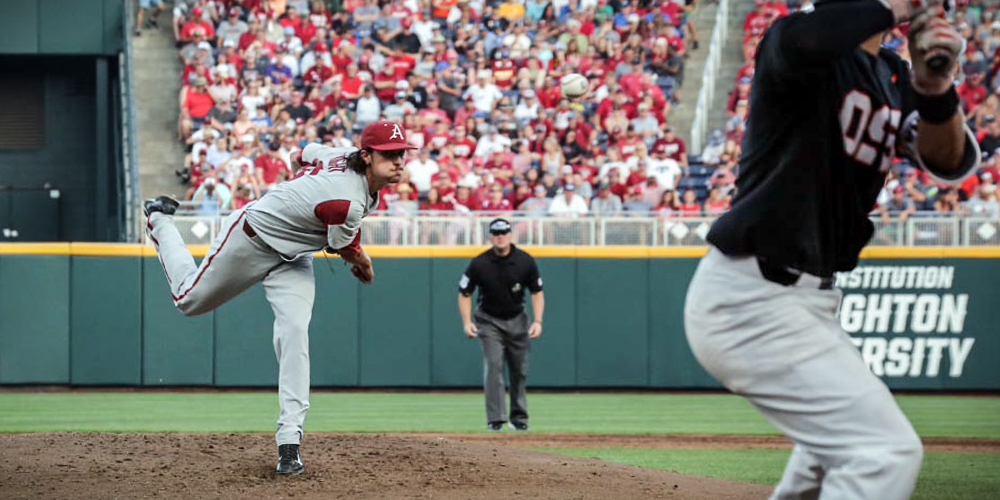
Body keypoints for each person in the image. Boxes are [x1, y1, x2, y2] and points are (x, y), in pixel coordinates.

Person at [684, 3, 978, 500]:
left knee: (819, 465)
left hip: (809, 302)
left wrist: (934, 91)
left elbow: (953, 162)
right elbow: (808, 42)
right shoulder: (797, 42)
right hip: (751, 295)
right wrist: (901, 7)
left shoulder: (890, 73)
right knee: (883, 451)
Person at [143, 121, 416, 475]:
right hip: (250, 240)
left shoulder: (338, 159)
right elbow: (343, 247)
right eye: (389, 154)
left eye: (402, 154)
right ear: (366, 156)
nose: (398, 161)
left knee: (294, 333)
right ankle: (160, 220)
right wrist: (362, 260)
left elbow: (298, 154)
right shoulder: (345, 200)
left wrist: (301, 194)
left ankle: (289, 443)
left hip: (294, 256)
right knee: (187, 300)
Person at [458, 218, 544, 432]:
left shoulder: (525, 261)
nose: (500, 237)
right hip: (489, 321)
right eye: (496, 233)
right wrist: (467, 321)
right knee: (494, 367)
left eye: (504, 232)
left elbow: (537, 292)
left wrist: (538, 321)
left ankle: (519, 418)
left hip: (517, 318)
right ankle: (495, 419)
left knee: (519, 370)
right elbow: (464, 293)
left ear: (510, 235)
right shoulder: (480, 262)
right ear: (490, 236)